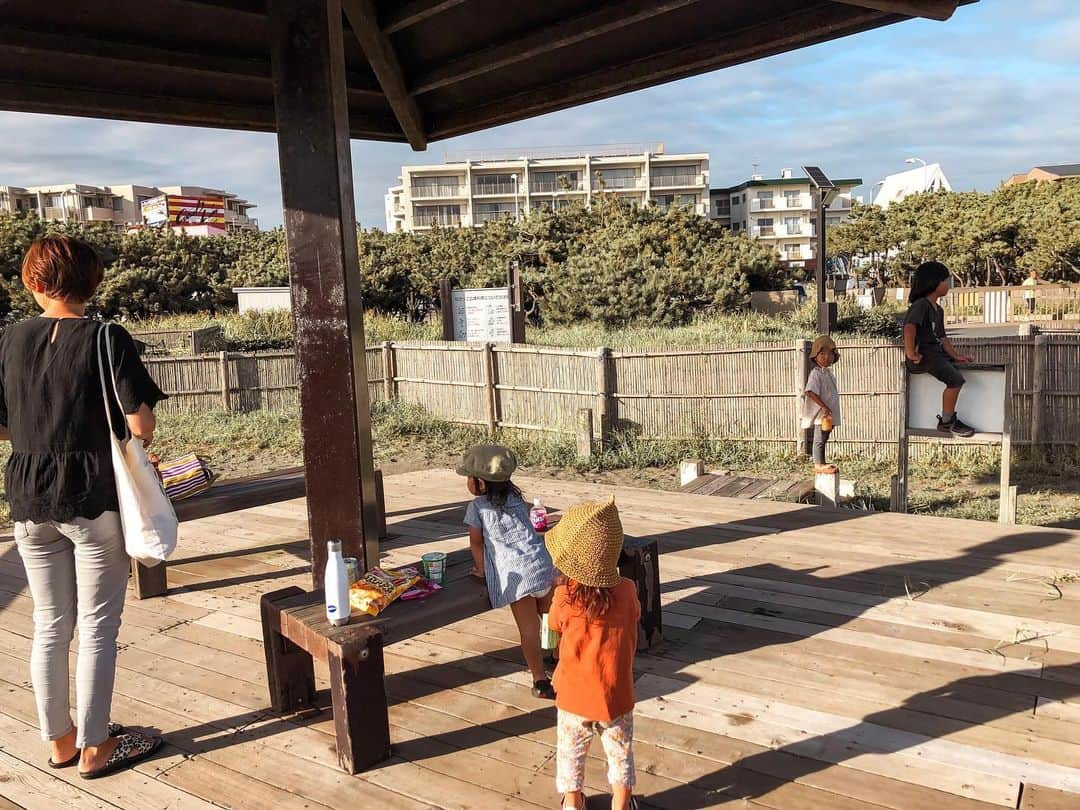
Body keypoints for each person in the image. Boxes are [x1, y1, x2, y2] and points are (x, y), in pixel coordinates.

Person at [0, 236, 166, 778]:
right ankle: (98, 747)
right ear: (94, 282)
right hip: (92, 498)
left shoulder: (8, 341)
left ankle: (61, 742)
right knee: (97, 626)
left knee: (50, 623)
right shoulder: (106, 338)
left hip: (28, 496)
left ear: (32, 282)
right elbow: (140, 423)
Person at [545, 499, 640, 810]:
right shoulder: (626, 591)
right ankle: (622, 805)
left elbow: (555, 627)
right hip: (616, 693)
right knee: (620, 752)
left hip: (572, 694)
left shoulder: (563, 596)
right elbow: (635, 616)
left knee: (570, 751)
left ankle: (572, 802)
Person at [457, 444, 557, 698]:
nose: (468, 482)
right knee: (551, 621)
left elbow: (477, 543)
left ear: (480, 482)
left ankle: (539, 679)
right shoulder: (516, 500)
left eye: (469, 478)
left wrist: (480, 569)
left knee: (529, 630)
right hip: (542, 565)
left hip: (517, 576)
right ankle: (558, 658)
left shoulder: (477, 508)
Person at [903, 261, 976, 437]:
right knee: (955, 380)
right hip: (925, 356)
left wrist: (956, 356)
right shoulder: (921, 305)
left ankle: (948, 419)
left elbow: (942, 337)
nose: (948, 284)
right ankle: (947, 421)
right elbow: (909, 327)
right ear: (934, 282)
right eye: (945, 280)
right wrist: (911, 352)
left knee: (954, 374)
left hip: (936, 353)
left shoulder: (938, 310)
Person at [801, 335, 841, 474]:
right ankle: (818, 464)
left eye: (830, 354)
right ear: (815, 356)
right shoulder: (815, 374)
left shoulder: (828, 373)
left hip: (829, 414)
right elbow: (810, 392)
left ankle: (822, 462)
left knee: (825, 436)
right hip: (821, 414)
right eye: (822, 354)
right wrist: (823, 407)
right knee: (820, 437)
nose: (826, 357)